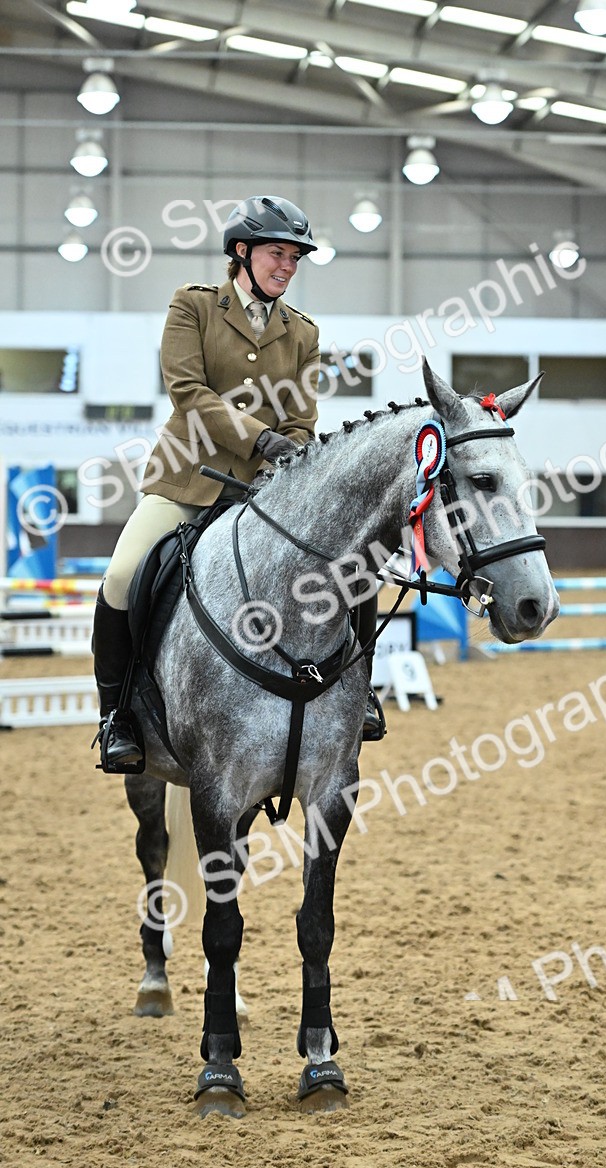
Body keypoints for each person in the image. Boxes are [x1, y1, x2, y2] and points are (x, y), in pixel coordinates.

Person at [92, 194, 383, 772]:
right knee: (123, 577)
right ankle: (117, 715)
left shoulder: (302, 333)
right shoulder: (193, 307)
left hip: (266, 491)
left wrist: (292, 454)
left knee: (354, 568)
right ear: (242, 252)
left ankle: (358, 692)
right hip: (186, 481)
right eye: (278, 254)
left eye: (295, 258)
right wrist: (260, 439)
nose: (287, 267)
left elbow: (300, 419)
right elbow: (189, 394)